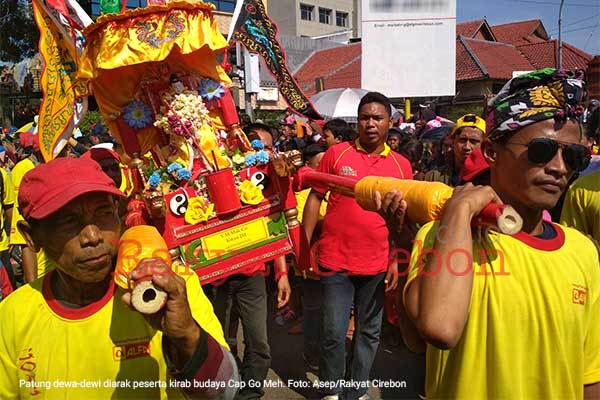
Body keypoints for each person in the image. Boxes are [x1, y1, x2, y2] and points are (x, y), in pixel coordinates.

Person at [403, 68, 600, 399]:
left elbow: (589, 375)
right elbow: (436, 330)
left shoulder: (583, 253)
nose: (559, 167)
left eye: (573, 156)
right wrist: (461, 210)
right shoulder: (443, 235)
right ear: (492, 152)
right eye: (542, 150)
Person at [0, 157, 237, 398]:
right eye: (68, 221)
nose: (92, 236)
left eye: (103, 213)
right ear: (31, 237)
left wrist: (187, 336)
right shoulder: (12, 316)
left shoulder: (174, 287)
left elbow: (226, 391)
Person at [303, 91, 413, 400]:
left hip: (377, 265)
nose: (370, 124)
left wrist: (396, 259)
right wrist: (305, 249)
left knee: (369, 333)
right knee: (333, 333)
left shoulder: (403, 167)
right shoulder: (336, 154)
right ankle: (330, 389)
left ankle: (357, 389)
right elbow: (315, 198)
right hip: (335, 261)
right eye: (365, 118)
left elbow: (403, 219)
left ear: (390, 122)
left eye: (378, 118)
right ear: (358, 121)